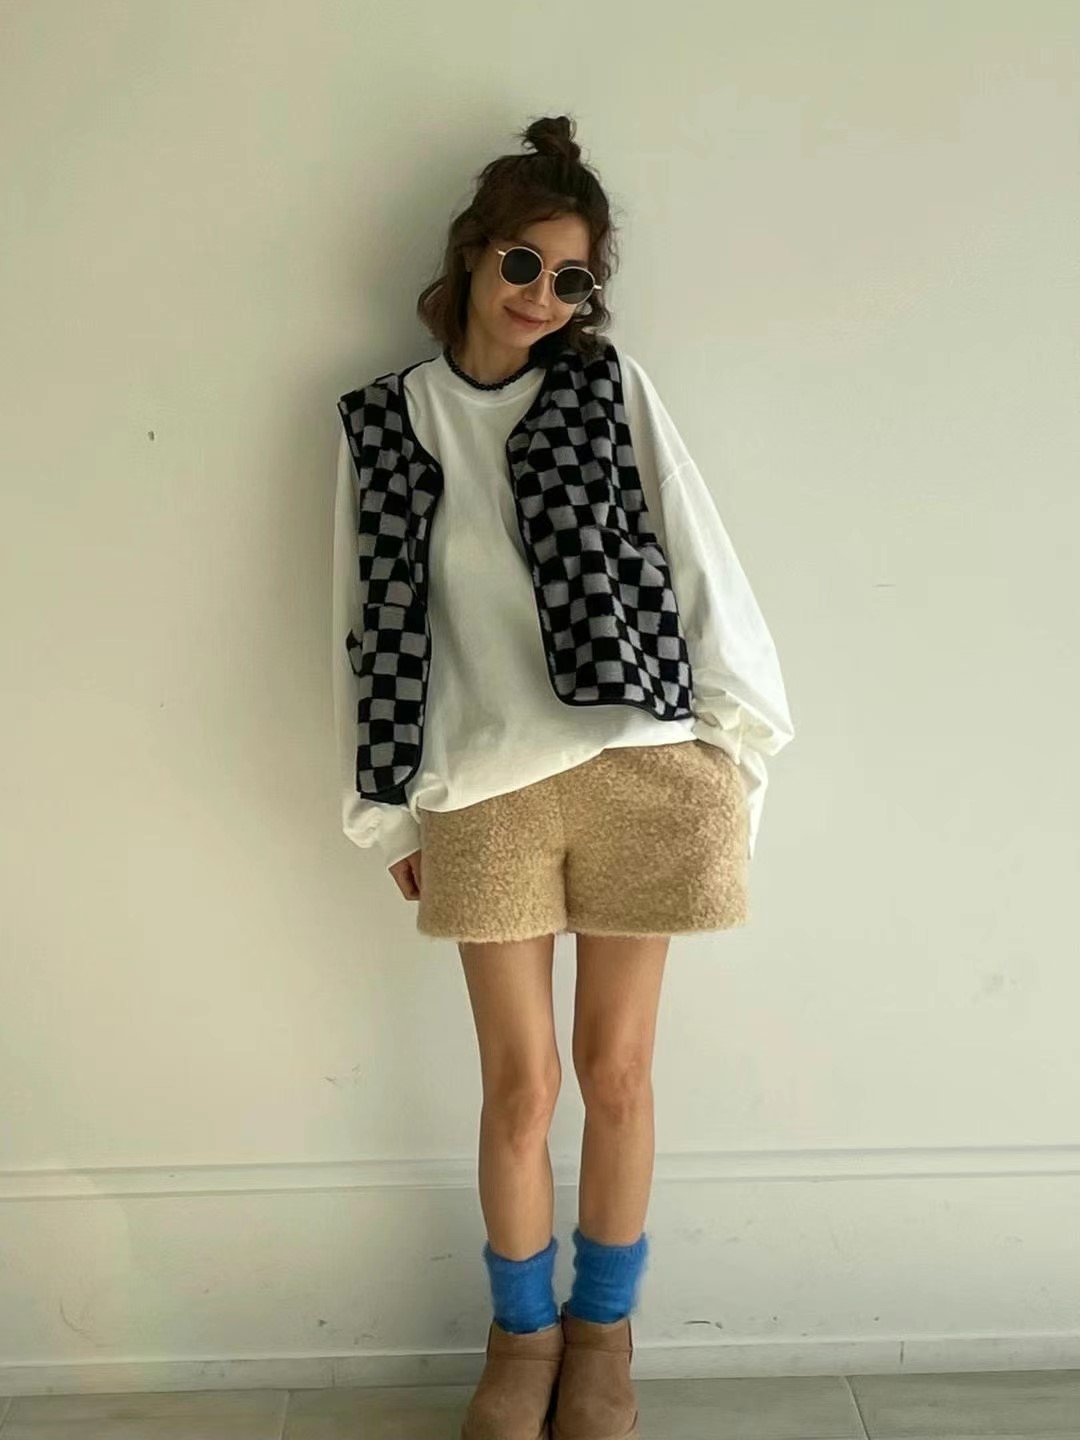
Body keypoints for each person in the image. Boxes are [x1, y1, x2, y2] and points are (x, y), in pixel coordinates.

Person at [332, 114, 794, 1440]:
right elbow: (361, 621)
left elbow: (698, 555)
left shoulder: (608, 389)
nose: (542, 294)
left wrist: (735, 746)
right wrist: (384, 813)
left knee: (618, 1071)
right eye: (523, 264)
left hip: (644, 765)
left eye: (572, 278)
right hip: (481, 790)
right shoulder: (387, 420)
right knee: (521, 1088)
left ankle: (603, 1338)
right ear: (473, 257)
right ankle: (520, 1341)